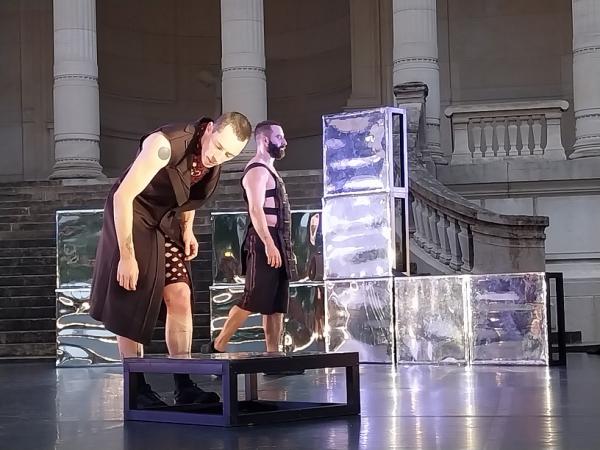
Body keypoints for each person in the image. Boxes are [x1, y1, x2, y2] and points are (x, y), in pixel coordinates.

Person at [89, 112, 251, 408]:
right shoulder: (165, 144)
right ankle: (136, 387)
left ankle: (183, 382)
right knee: (132, 294)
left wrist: (187, 230)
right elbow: (123, 197)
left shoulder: (211, 161)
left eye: (229, 155)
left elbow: (188, 196)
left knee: (180, 293)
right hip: (133, 217)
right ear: (209, 129)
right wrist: (126, 256)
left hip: (165, 222)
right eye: (218, 146)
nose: (218, 157)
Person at [201, 120, 297, 355]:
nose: (284, 142)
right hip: (264, 240)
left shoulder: (269, 169)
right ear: (264, 140)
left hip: (279, 239)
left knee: (276, 303)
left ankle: (273, 354)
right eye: (279, 137)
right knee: (252, 297)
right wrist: (269, 243)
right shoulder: (256, 170)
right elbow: (256, 209)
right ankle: (218, 344)